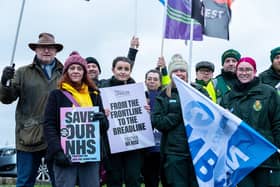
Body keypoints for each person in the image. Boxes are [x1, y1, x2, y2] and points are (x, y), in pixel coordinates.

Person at [0, 32, 63, 187]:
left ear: (56, 50)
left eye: (50, 48)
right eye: (42, 47)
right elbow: (7, 98)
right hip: (28, 135)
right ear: (35, 50)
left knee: (60, 182)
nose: (46, 51)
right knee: (25, 182)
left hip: (57, 136)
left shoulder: (66, 73)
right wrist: (4, 82)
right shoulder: (22, 72)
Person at [43, 51, 109, 187]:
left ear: (84, 73)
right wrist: (57, 151)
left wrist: (102, 120)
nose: (76, 71)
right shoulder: (56, 95)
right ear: (66, 72)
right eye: (72, 68)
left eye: (79, 68)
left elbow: (104, 128)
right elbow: (49, 125)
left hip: (90, 156)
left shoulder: (94, 94)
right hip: (65, 155)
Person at [220, 57, 280, 187]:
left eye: (248, 69)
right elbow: (222, 129)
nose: (244, 73)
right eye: (241, 69)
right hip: (240, 158)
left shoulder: (268, 92)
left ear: (255, 72)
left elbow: (277, 122)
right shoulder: (228, 97)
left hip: (265, 156)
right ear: (236, 72)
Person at [152, 54, 207, 187]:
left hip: (198, 151)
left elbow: (210, 117)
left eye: (182, 70)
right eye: (175, 71)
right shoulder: (164, 94)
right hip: (174, 153)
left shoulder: (199, 91)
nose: (179, 73)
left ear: (187, 73)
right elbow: (158, 122)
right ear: (170, 74)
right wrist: (178, 113)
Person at [100, 56, 143, 187]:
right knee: (114, 179)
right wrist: (102, 112)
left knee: (133, 178)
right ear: (113, 70)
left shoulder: (136, 89)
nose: (122, 72)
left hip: (133, 143)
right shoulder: (103, 87)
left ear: (130, 72)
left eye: (126, 69)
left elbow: (141, 114)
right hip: (112, 143)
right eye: (119, 68)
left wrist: (145, 109)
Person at [142, 69, 164, 187]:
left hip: (161, 144)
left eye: (155, 79)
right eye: (149, 79)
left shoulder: (165, 97)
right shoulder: (139, 96)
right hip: (145, 146)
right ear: (145, 81)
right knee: (150, 179)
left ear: (160, 83)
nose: (152, 82)